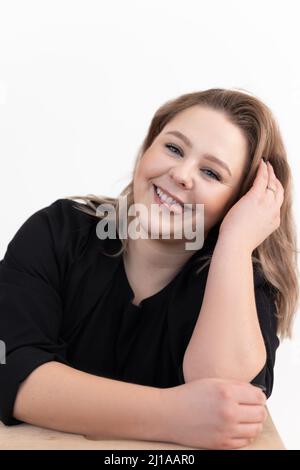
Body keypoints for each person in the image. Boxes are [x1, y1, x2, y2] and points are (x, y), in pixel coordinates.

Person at [0, 88, 299, 450]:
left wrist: (234, 245)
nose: (182, 174)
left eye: (211, 173)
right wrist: (173, 413)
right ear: (148, 147)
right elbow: (11, 370)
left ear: (239, 202)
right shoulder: (60, 232)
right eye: (173, 148)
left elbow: (224, 407)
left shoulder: (240, 280)